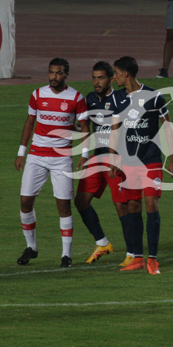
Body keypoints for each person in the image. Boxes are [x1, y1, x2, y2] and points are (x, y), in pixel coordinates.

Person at [15, 58, 89, 268]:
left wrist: (84, 154)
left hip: (61, 158)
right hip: (36, 156)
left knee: (63, 205)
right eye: (51, 72)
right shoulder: (38, 94)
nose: (54, 77)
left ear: (66, 75)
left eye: (58, 73)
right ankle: (32, 248)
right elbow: (30, 123)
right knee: (25, 202)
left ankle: (66, 255)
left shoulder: (76, 97)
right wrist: (21, 152)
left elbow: (84, 127)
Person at [110, 56, 173, 274]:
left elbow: (168, 126)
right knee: (133, 206)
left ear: (126, 74)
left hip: (150, 160)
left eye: (116, 73)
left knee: (151, 205)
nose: (114, 77)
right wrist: (113, 157)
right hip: (129, 161)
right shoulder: (117, 98)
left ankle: (153, 259)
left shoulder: (154, 96)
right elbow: (115, 129)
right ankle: (138, 257)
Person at [75, 62, 122, 264]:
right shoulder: (91, 99)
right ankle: (103, 243)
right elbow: (87, 127)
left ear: (111, 79)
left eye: (101, 77)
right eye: (94, 77)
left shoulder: (120, 99)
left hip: (117, 159)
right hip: (98, 156)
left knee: (123, 207)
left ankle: (133, 254)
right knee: (81, 201)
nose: (96, 82)